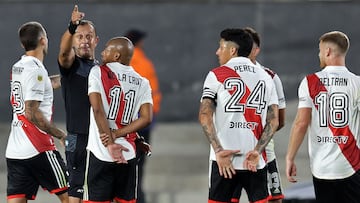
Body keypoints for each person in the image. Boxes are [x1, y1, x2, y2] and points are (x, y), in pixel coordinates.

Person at [198, 28, 279, 203]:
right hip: (254, 161)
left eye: (221, 47)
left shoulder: (216, 75)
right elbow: (274, 120)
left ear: (232, 50)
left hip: (224, 161)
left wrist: (219, 151)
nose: (217, 52)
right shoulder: (266, 77)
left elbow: (205, 114)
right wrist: (257, 151)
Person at [286, 31, 360, 203]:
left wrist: (290, 157)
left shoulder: (310, 82)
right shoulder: (357, 83)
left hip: (322, 168)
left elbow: (301, 124)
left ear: (327, 51)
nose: (319, 54)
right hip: (351, 165)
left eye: (319, 50)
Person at [83, 37, 153, 203]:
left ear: (116, 56)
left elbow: (97, 109)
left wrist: (110, 142)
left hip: (101, 152)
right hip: (128, 154)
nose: (102, 52)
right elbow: (146, 118)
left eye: (106, 49)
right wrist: (118, 134)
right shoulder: (142, 82)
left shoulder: (98, 72)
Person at [6, 21, 69, 203]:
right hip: (38, 148)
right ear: (43, 41)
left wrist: (69, 78)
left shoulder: (19, 66)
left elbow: (42, 84)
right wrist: (61, 135)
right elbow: (31, 113)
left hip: (15, 151)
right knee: (72, 197)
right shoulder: (36, 69)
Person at [230, 27, 286, 203]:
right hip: (233, 152)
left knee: (273, 199)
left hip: (263, 152)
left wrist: (257, 139)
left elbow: (279, 120)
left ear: (256, 50)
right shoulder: (224, 75)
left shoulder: (270, 77)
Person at [57, 5, 99, 203]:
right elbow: (64, 54)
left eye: (88, 36)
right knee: (75, 187)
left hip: (99, 137)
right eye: (79, 37)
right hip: (76, 137)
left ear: (96, 40)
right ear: (73, 41)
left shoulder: (101, 69)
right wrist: (72, 26)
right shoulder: (71, 65)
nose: (84, 41)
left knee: (97, 188)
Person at [125, 28, 162, 203]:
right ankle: (137, 197)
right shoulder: (144, 62)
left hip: (125, 120)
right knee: (139, 161)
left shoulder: (121, 62)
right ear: (138, 42)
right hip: (144, 118)